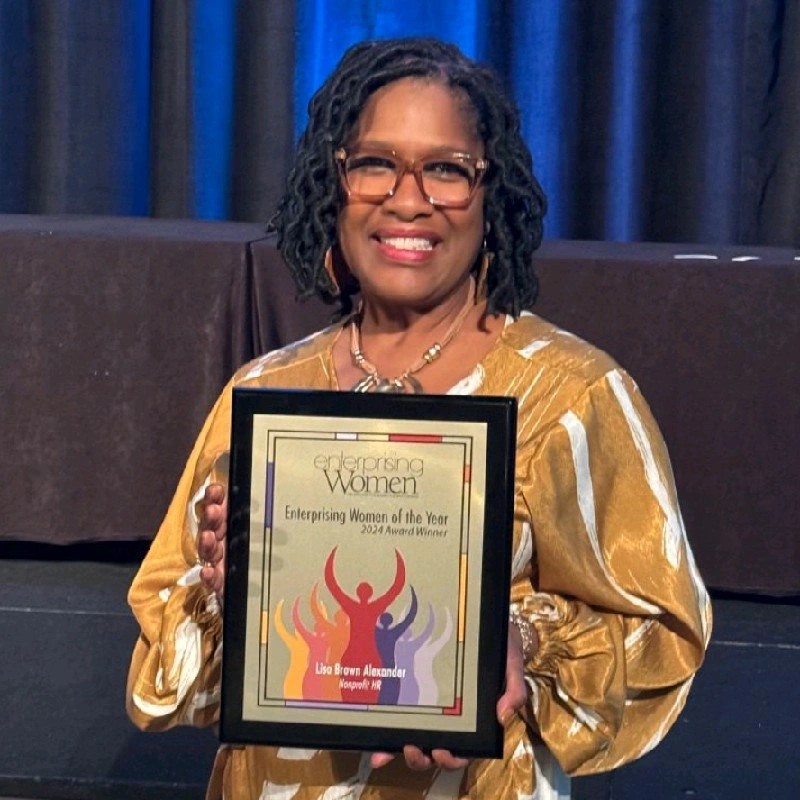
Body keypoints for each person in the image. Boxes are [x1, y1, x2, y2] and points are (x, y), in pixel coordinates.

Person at [126, 37, 712, 800]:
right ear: (334, 183)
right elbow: (167, 668)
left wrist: (519, 644)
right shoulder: (265, 392)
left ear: (489, 192)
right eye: (376, 163)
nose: (409, 199)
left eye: (446, 169)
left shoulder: (569, 395)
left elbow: (664, 635)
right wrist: (225, 590)